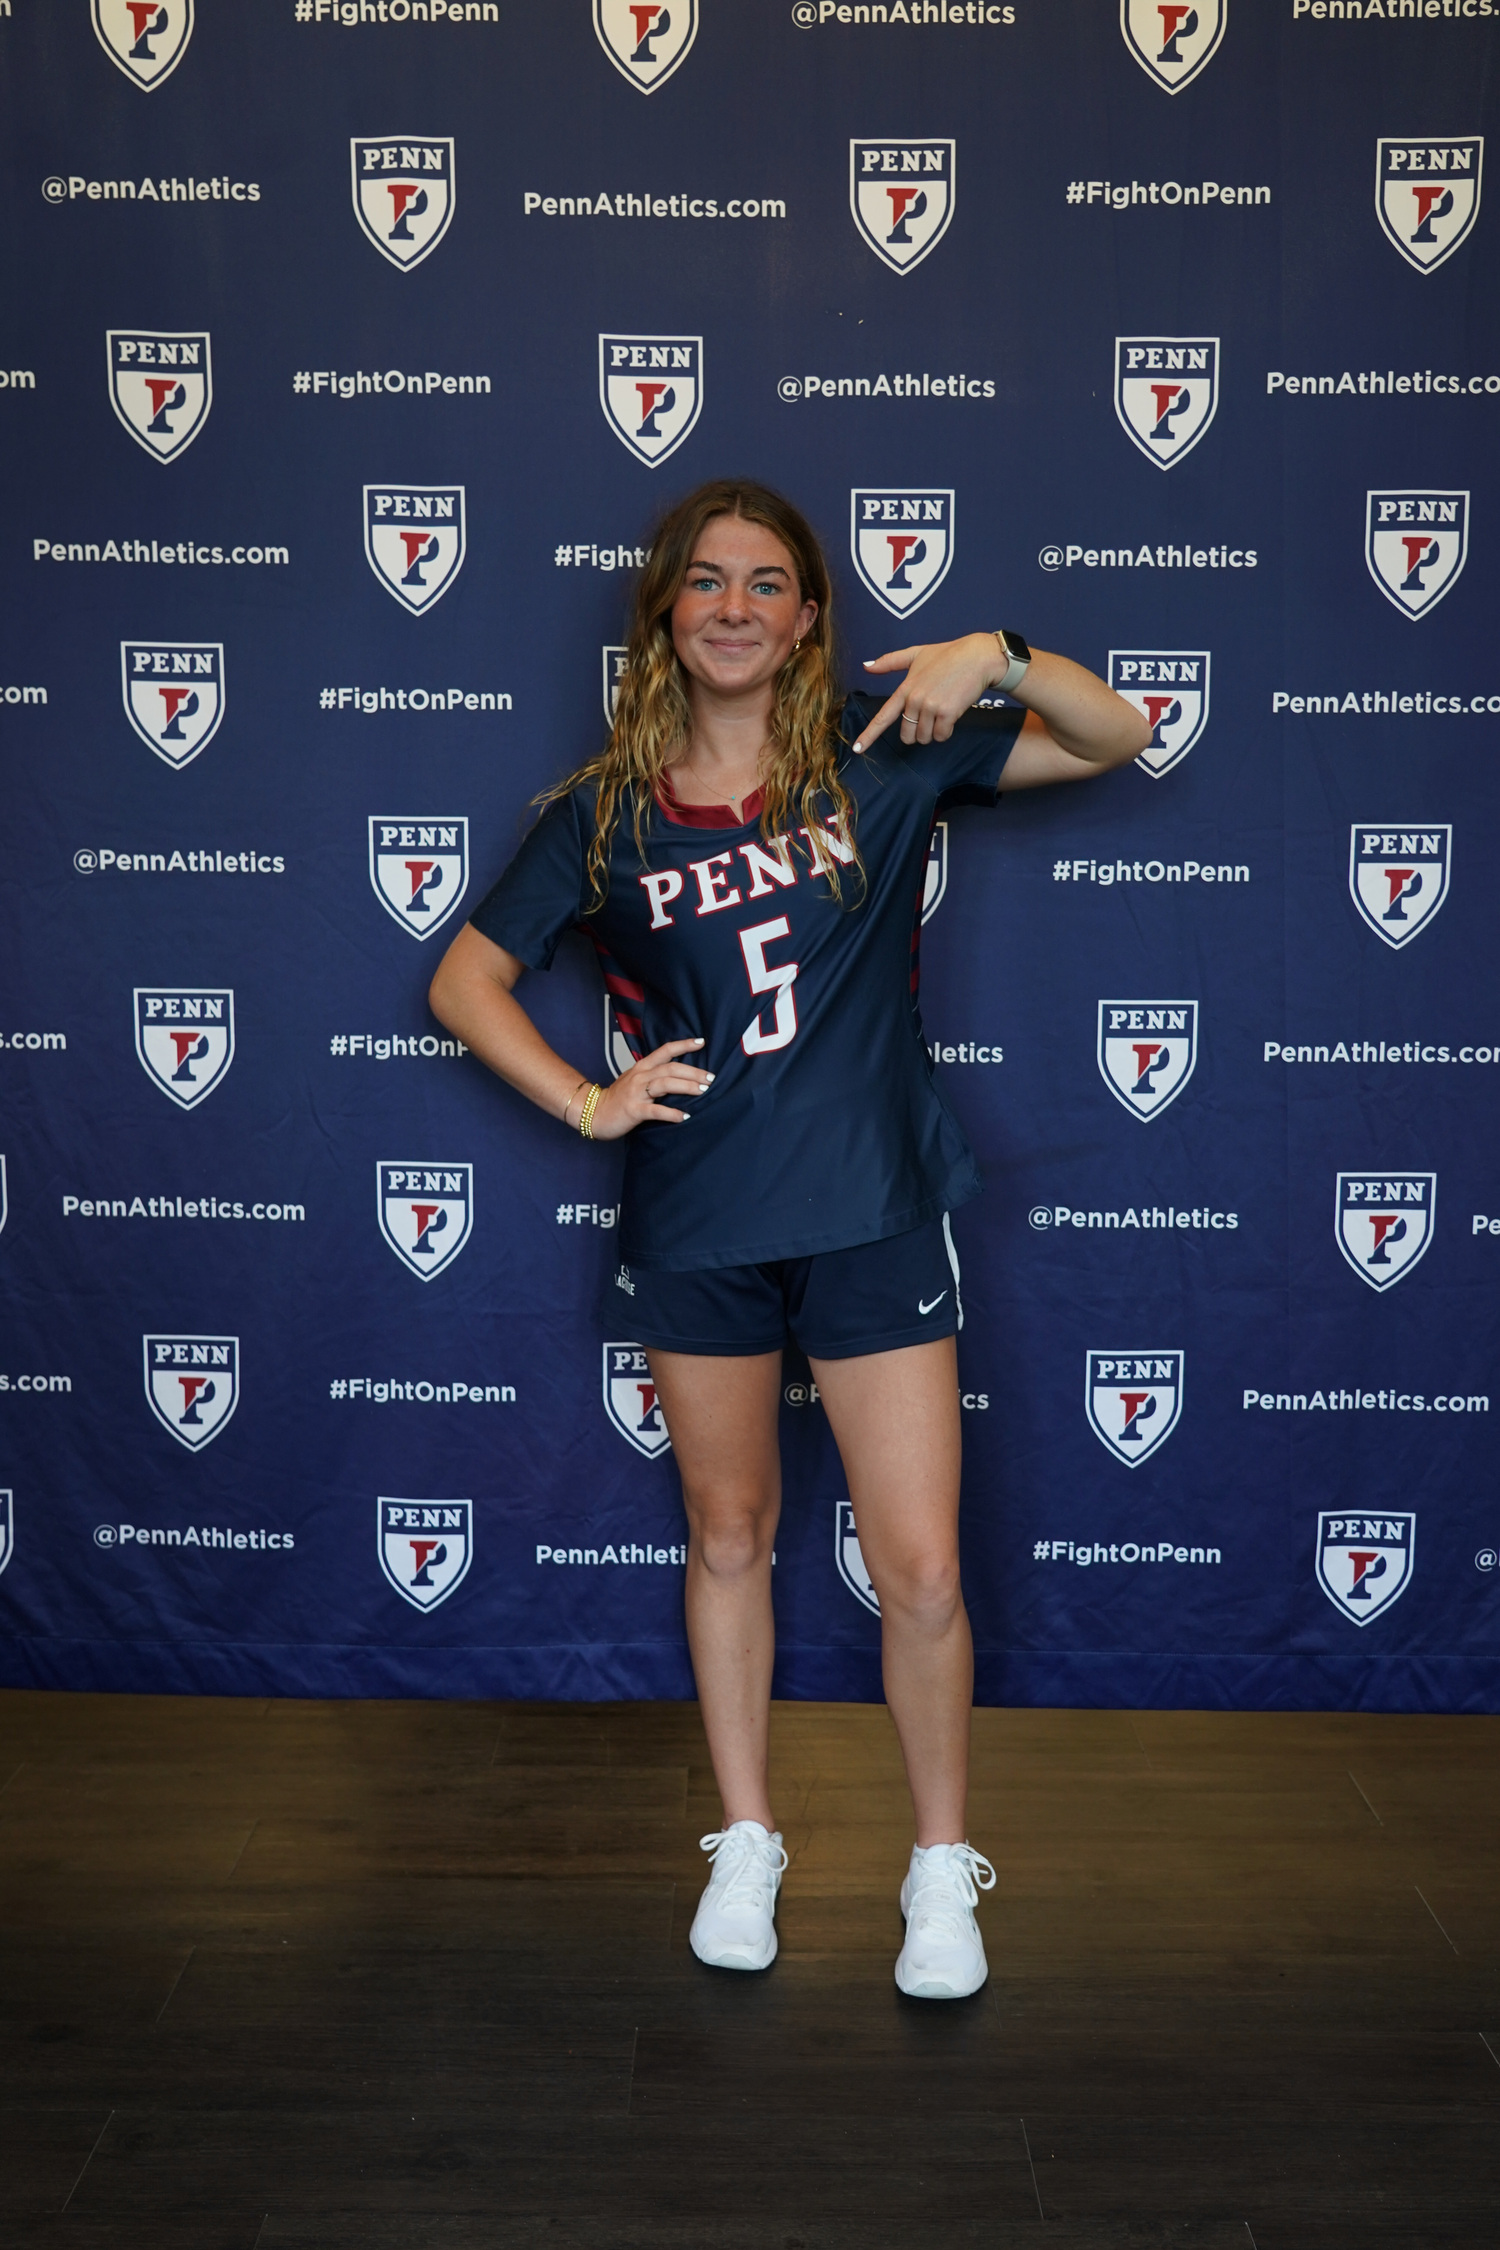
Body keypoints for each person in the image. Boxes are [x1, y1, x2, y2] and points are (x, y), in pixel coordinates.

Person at [430, 479, 1149, 1999]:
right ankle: (747, 1836)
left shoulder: (880, 763)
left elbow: (1120, 733)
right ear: (666, 615)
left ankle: (939, 1868)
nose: (737, 607)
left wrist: (998, 650)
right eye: (707, 583)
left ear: (810, 616)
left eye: (768, 583)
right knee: (731, 1533)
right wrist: (582, 1099)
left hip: (874, 1208)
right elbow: (466, 981)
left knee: (926, 1565)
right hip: (701, 1217)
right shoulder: (603, 816)